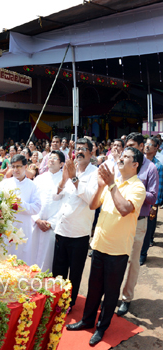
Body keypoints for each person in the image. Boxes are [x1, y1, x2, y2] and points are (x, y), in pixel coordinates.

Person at [67, 147, 146, 346]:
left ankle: (101, 328)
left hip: (118, 249)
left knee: (110, 292)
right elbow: (93, 205)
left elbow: (125, 209)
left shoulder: (137, 187)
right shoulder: (115, 182)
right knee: (94, 287)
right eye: (121, 156)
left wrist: (111, 185)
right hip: (100, 244)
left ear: (135, 164)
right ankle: (86, 321)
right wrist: (103, 186)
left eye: (126, 157)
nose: (121, 159)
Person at [51, 138, 98, 310]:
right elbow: (56, 196)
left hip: (79, 232)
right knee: (58, 268)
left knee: (75, 272)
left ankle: (69, 302)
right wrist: (64, 180)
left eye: (83, 149)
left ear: (91, 153)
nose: (79, 152)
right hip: (62, 229)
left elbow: (92, 199)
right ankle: (56, 299)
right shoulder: (71, 169)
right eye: (77, 149)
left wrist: (74, 178)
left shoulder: (95, 173)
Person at [116, 133, 158, 317]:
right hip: (118, 218)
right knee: (115, 258)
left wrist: (136, 190)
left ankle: (126, 298)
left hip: (138, 220)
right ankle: (111, 294)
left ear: (142, 146)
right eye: (126, 146)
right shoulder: (122, 165)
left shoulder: (150, 169)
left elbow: (153, 196)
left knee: (133, 261)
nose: (127, 149)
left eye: (132, 145)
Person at [0, 154, 41, 264]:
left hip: (23, 229)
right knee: (4, 261)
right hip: (5, 228)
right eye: (13, 166)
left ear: (26, 167)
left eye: (19, 166)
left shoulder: (33, 186)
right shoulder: (4, 184)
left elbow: (36, 208)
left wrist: (20, 204)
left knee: (22, 260)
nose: (16, 169)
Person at [30, 150, 64, 271]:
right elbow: (32, 200)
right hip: (36, 222)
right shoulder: (39, 178)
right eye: (50, 157)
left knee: (48, 260)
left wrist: (51, 223)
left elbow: (64, 205)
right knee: (32, 255)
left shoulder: (65, 180)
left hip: (52, 226)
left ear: (61, 164)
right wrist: (37, 219)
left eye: (55, 158)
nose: (51, 160)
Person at [140, 137, 163, 265]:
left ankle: (143, 254)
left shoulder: (158, 165)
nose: (147, 146)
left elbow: (159, 187)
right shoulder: (139, 162)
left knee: (148, 228)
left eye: (151, 145)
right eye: (146, 144)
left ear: (156, 148)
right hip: (139, 201)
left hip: (150, 201)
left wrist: (155, 205)